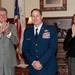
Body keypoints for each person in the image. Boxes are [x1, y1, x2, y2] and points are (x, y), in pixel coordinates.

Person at [22, 8, 58, 75]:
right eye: (33, 16)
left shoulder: (51, 30)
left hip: (48, 68)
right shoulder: (27, 31)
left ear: (41, 17)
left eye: (37, 16)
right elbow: (25, 49)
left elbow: (52, 48)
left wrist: (40, 62)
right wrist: (33, 62)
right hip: (33, 69)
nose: (35, 18)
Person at [0, 7, 18, 75]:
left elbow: (16, 42)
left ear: (7, 16)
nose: (3, 16)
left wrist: (8, 32)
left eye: (4, 14)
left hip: (10, 61)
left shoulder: (12, 26)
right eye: (0, 15)